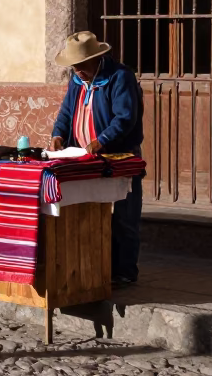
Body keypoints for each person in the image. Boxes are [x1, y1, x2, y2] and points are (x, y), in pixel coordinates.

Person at [49, 31, 145, 286]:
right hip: (85, 158)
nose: (78, 70)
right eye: (74, 66)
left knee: (124, 215)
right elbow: (67, 111)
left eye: (81, 65)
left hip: (118, 156)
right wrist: (58, 134)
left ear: (96, 59)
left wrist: (101, 141)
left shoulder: (120, 77)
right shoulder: (77, 80)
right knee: (91, 213)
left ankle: (124, 272)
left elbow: (125, 118)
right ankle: (96, 267)